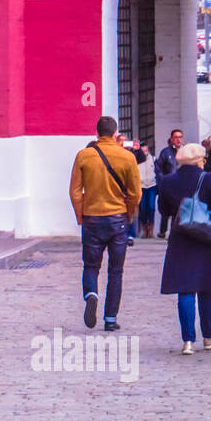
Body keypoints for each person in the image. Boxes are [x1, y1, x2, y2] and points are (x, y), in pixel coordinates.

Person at [157, 144, 211, 355]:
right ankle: (208, 335)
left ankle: (188, 340)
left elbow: (163, 209)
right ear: (200, 160)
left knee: (185, 290)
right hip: (206, 238)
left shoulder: (168, 181)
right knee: (206, 289)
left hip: (180, 237)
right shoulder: (208, 179)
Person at [69, 117, 141, 331]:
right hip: (117, 218)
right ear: (115, 132)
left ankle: (91, 294)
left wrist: (81, 215)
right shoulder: (127, 157)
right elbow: (135, 193)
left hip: (92, 217)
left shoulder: (84, 155)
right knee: (116, 270)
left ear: (97, 132)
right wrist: (128, 214)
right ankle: (110, 318)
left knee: (91, 265)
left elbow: (75, 191)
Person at [155, 129, 185, 237]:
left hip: (182, 186)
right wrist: (163, 181)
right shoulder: (165, 152)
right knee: (166, 210)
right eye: (176, 137)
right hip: (168, 185)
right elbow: (158, 168)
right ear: (172, 139)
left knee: (177, 210)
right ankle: (163, 231)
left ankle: (174, 232)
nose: (178, 139)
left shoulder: (185, 151)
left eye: (180, 137)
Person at [137, 141, 158, 239]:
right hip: (141, 186)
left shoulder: (153, 159)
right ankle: (144, 229)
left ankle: (151, 230)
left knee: (151, 207)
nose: (145, 153)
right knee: (143, 208)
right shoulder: (137, 160)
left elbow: (158, 172)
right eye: (142, 151)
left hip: (152, 186)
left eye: (146, 150)